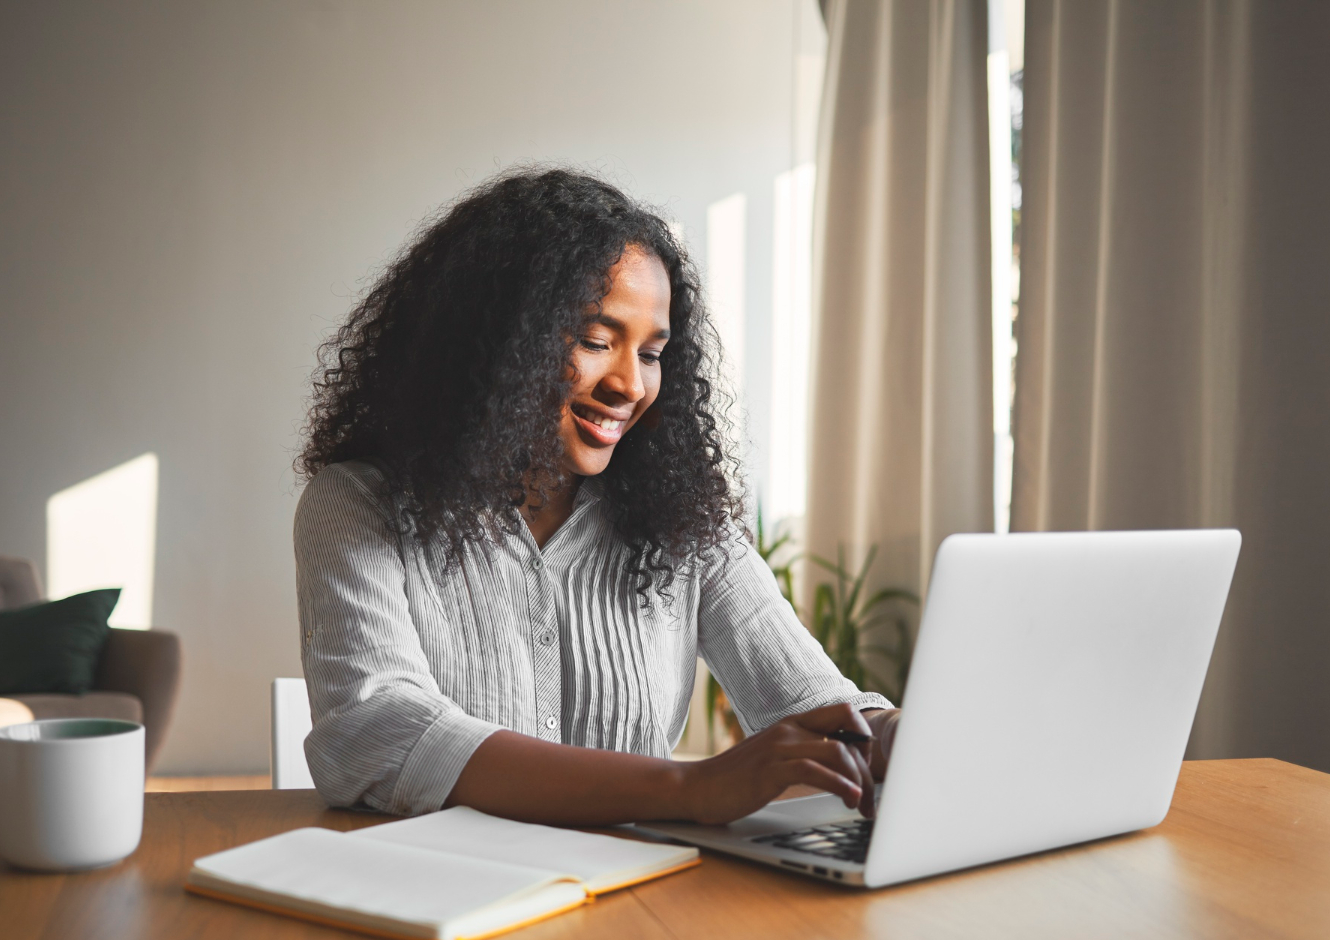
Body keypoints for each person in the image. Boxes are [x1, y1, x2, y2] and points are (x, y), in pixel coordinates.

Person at [294, 168, 900, 826]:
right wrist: (686, 788)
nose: (630, 386)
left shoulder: (683, 524)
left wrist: (896, 735)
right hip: (443, 884)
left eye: (652, 354)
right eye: (595, 341)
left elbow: (813, 705)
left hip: (639, 888)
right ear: (494, 340)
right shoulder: (358, 504)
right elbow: (378, 733)